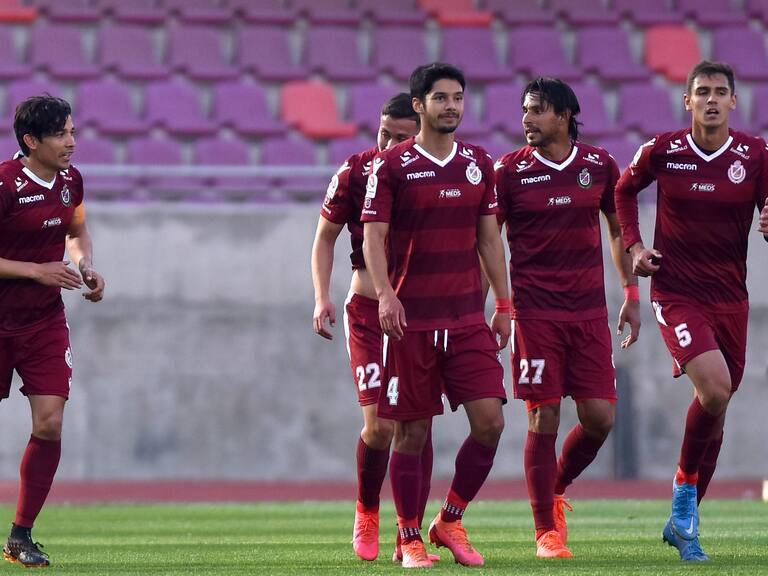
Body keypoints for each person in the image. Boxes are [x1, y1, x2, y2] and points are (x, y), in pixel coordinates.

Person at [615, 60, 768, 561]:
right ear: (688, 101)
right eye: (702, 91)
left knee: (716, 410)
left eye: (721, 91)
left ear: (733, 101)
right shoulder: (663, 150)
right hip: (676, 293)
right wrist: (635, 248)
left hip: (733, 298)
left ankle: (684, 519)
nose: (711, 99)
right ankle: (684, 499)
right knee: (716, 388)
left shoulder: (756, 154)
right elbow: (622, 189)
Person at [362, 62, 510, 569]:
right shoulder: (393, 166)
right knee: (412, 432)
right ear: (419, 105)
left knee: (490, 423)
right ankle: (407, 537)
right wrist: (385, 295)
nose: (452, 106)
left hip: (468, 317)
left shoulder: (479, 163)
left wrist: (504, 304)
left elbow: (490, 239)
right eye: (441, 98)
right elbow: (373, 238)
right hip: (411, 321)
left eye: (458, 98)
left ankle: (449, 519)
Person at [494, 78, 640, 559]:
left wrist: (631, 292)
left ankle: (553, 486)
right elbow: (486, 242)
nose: (527, 119)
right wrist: (496, 305)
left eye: (536, 110)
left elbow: (618, 231)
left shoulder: (599, 165)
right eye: (525, 110)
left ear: (564, 115)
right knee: (544, 416)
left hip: (588, 313)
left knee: (600, 418)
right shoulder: (509, 172)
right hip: (535, 315)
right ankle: (546, 532)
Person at [311, 93, 438, 564]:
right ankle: (367, 509)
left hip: (421, 315)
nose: (390, 144)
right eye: (385, 133)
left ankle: (412, 532)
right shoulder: (356, 172)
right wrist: (322, 295)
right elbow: (323, 238)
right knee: (380, 426)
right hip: (367, 311)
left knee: (417, 425)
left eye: (403, 137)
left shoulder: (435, 173)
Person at [0, 95, 105, 568]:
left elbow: (76, 230)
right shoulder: (3, 184)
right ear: (31, 141)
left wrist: (84, 265)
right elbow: (36, 265)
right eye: (61, 134)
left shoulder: (70, 182)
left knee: (50, 422)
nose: (71, 141)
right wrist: (36, 271)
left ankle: (21, 536)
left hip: (44, 321)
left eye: (72, 131)